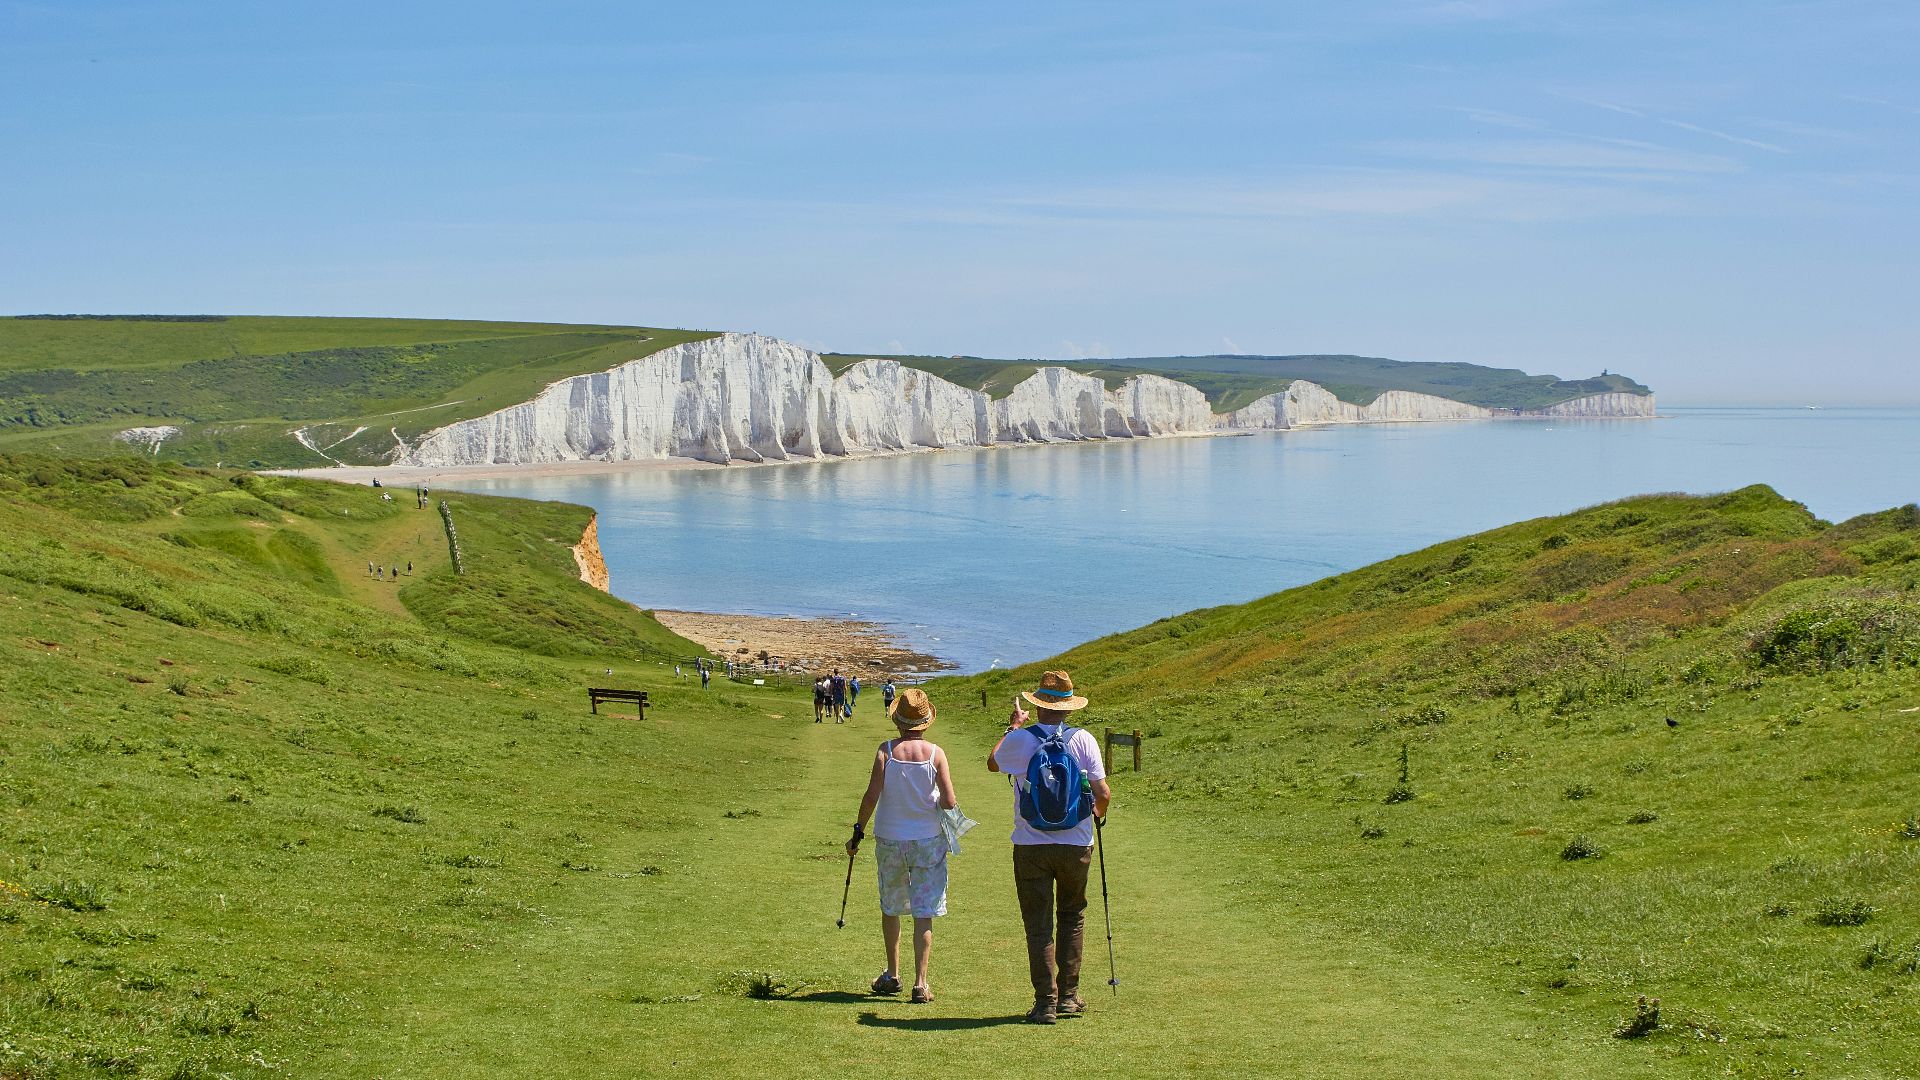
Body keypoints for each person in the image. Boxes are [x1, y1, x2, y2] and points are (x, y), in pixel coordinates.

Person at [987, 670, 1110, 1024]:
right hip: (1076, 843)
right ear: (1069, 708)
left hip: (1030, 844)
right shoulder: (1084, 740)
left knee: (1038, 924)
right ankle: (1069, 996)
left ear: (1037, 707)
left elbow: (993, 763)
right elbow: (1102, 794)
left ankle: (1045, 1003)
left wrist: (1012, 727)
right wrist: (1093, 819)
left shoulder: (1022, 740)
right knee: (1072, 917)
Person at [847, 688, 956, 1005]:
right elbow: (949, 801)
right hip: (927, 839)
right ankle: (921, 983)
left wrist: (858, 831)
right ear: (925, 722)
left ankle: (893, 974)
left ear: (898, 721)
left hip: (890, 838)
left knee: (891, 906)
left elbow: (871, 796)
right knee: (924, 911)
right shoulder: (936, 754)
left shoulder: (886, 751)